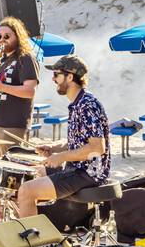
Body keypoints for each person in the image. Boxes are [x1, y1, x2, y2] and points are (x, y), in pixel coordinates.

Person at [17, 56, 110, 218]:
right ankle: (42, 229)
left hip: (88, 173)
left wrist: (61, 157)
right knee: (36, 172)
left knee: (26, 191)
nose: (53, 79)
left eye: (56, 75)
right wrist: (54, 149)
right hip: (78, 169)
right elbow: (80, 142)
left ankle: (33, 242)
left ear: (70, 76)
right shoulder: (78, 103)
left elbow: (97, 148)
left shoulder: (87, 105)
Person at [0, 17, 38, 150]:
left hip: (12, 125)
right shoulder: (0, 60)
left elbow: (30, 91)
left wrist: (0, 86)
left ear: (18, 36)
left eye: (7, 36)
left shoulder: (25, 58)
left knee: (8, 169)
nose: (2, 39)